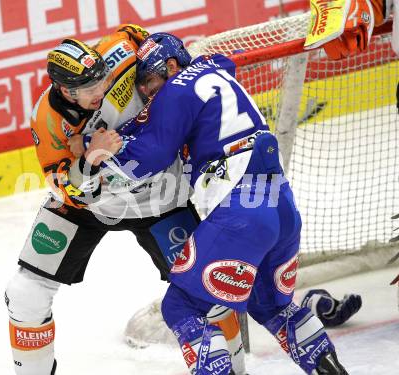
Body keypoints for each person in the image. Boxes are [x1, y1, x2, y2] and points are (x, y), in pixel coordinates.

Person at [97, 32, 350, 374]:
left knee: (180, 305)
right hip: (282, 206)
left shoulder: (176, 88)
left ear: (171, 66)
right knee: (272, 306)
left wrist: (107, 152)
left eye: (150, 80)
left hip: (242, 211)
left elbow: (151, 156)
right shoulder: (216, 72)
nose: (146, 91)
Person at [4, 25, 247, 375]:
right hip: (88, 206)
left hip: (159, 196)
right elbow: (64, 189)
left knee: (209, 288)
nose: (100, 90)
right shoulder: (48, 120)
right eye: (88, 88)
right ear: (64, 90)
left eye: (101, 79)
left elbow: (161, 49)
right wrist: (89, 159)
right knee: (25, 294)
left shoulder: (120, 46)